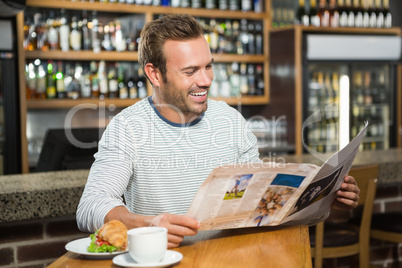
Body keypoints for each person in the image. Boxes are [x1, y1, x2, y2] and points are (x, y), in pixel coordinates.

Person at [76, 14, 360, 249]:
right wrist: (147, 223)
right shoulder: (127, 128)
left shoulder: (231, 120)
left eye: (208, 66)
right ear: (154, 74)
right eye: (190, 71)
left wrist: (325, 200)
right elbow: (91, 205)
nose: (205, 80)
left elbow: (263, 203)